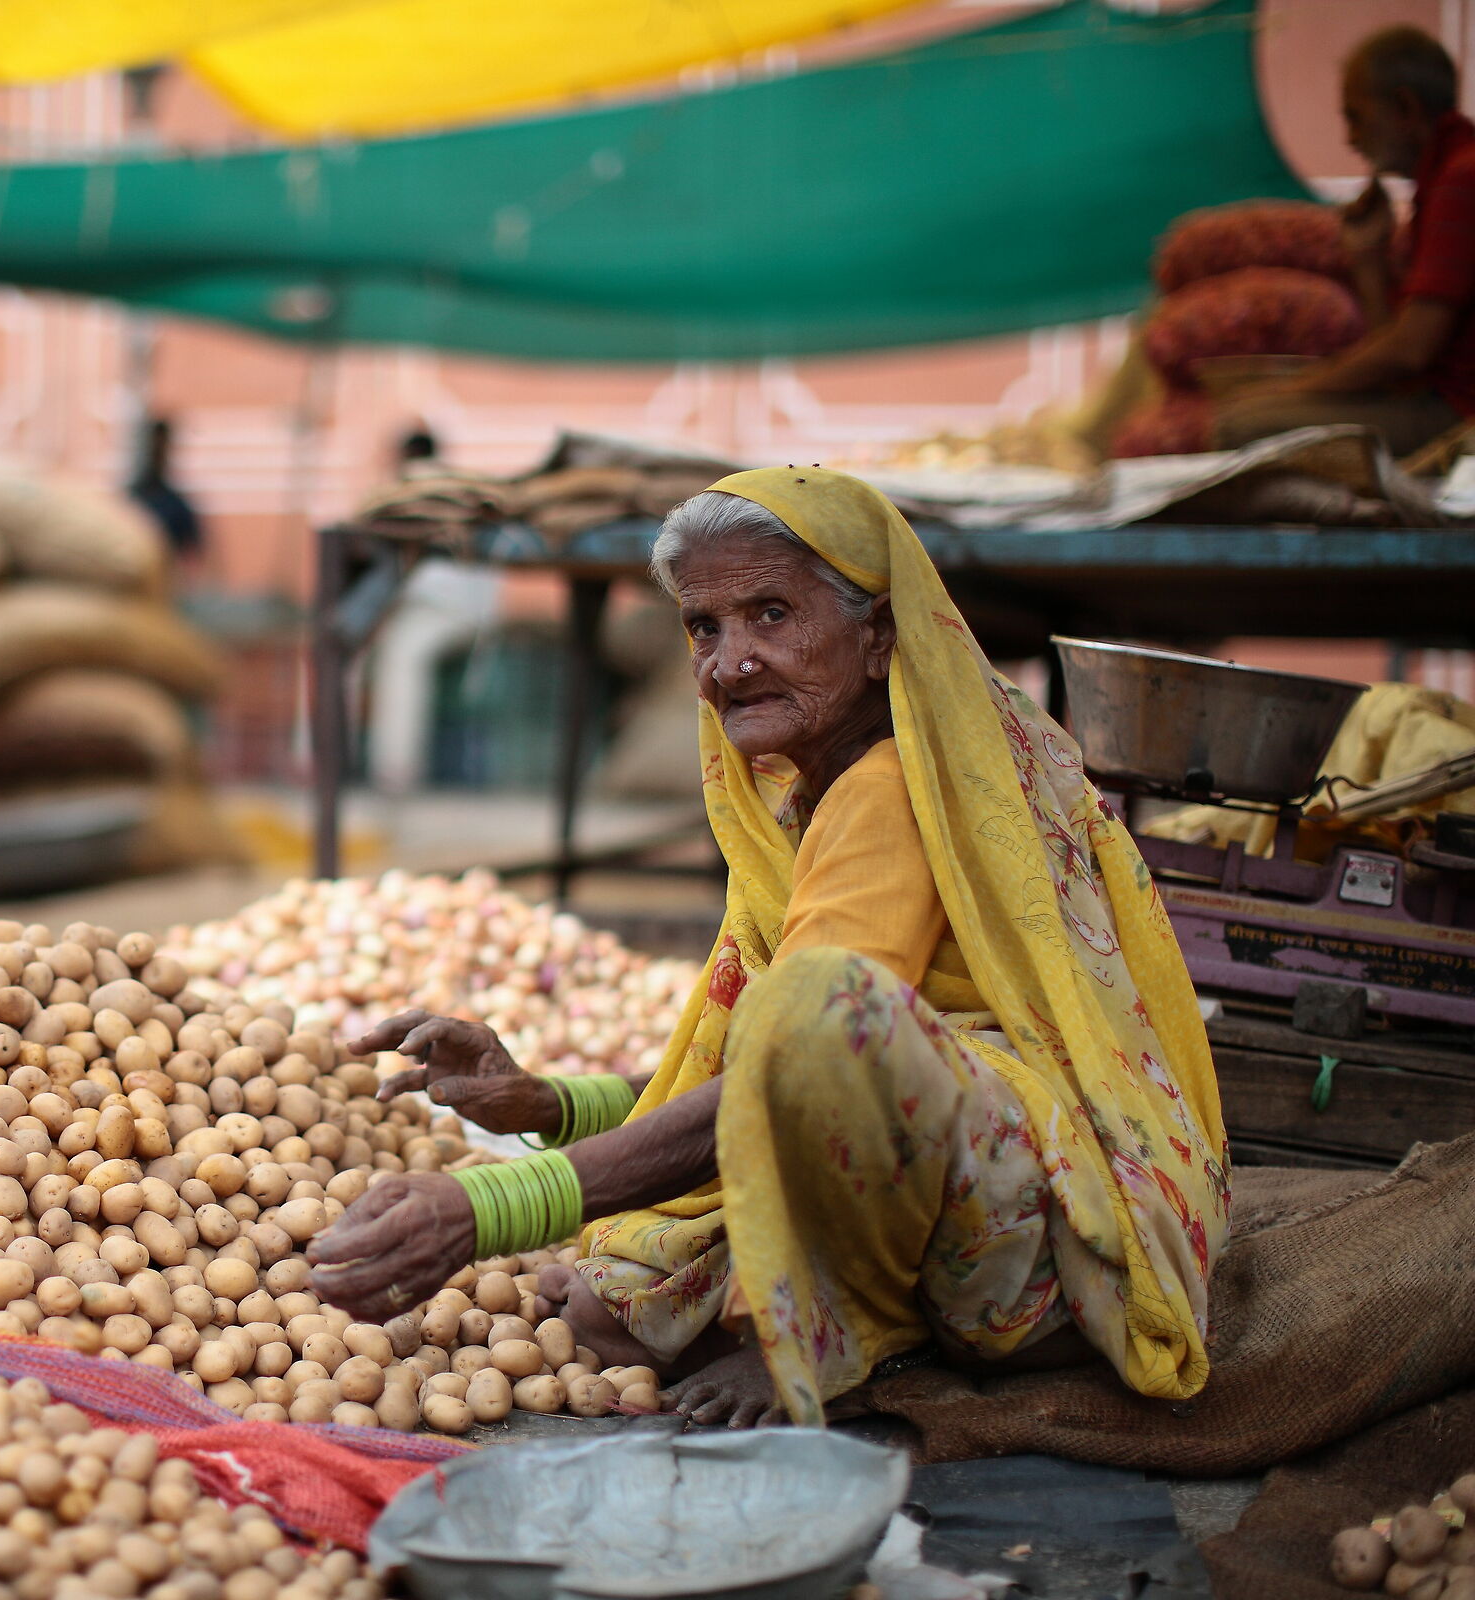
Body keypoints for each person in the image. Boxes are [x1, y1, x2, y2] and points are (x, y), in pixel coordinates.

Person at [307, 468, 1228, 1429]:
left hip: (1042, 1258)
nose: (730, 662)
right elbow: (766, 1069)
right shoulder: (821, 798)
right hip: (985, 1196)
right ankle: (846, 1324)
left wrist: (487, 1209)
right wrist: (550, 1103)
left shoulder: (891, 794)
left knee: (618, 1296)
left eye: (772, 614)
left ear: (877, 639)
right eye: (706, 627)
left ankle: (850, 1344)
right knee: (609, 1301)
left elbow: (807, 1047)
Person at [1218, 27, 1475, 456]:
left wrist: (1295, 391)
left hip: (1457, 416)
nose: (1351, 140)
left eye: (1356, 117)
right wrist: (1368, 257)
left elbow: (1410, 353)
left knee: (1238, 426)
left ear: (1405, 108)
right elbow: (1401, 356)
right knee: (1244, 413)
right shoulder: (1440, 182)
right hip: (1433, 402)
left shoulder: (1461, 181)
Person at [127, 416, 203, 564]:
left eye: (161, 449)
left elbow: (197, 553)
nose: (156, 455)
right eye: (153, 448)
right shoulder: (129, 501)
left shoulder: (175, 504)